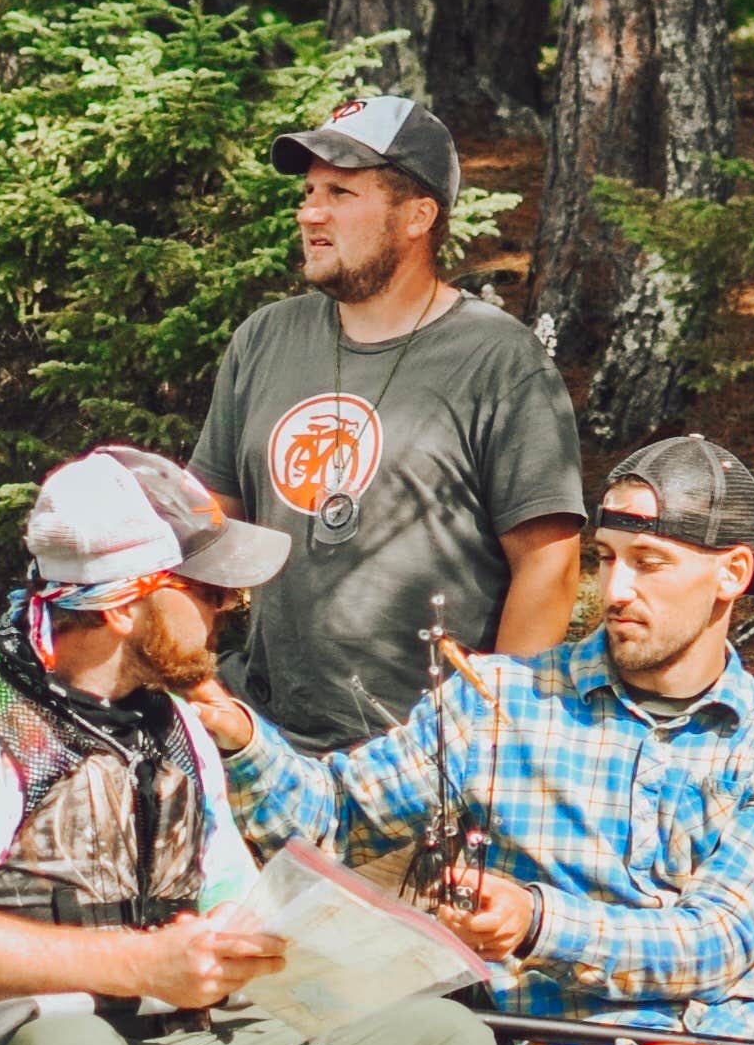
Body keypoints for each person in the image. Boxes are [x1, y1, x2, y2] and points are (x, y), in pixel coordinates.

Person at [0, 448, 499, 1045]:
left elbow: (233, 911)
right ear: (121, 603)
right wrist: (143, 963)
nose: (230, 612)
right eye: (208, 593)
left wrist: (351, 952)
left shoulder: (174, 728)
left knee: (444, 1041)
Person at [179, 433, 754, 1044]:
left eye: (650, 563)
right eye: (606, 559)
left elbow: (717, 941)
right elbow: (332, 819)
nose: (615, 590)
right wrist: (241, 741)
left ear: (732, 574)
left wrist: (537, 920)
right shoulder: (494, 699)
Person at [189, 88, 585, 747]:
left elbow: (550, 566)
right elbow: (207, 530)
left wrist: (492, 741)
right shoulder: (265, 339)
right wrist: (193, 683)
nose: (310, 213)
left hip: (419, 760)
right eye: (308, 192)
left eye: (340, 194)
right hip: (262, 741)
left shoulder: (497, 358)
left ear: (417, 215)